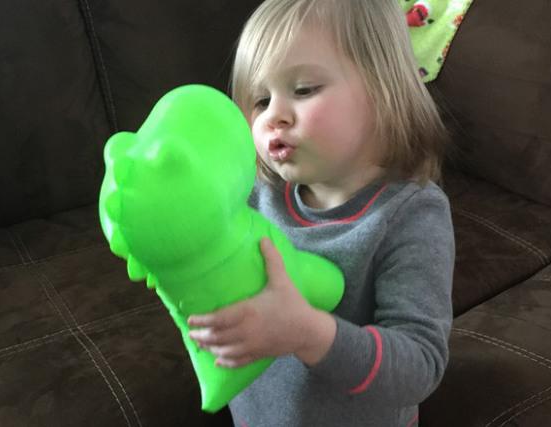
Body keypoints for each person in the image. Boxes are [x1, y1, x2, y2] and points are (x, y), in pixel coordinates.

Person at [187, 0, 455, 425]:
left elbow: (420, 367)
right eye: (260, 100)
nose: (273, 116)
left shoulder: (411, 214)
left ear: (383, 90)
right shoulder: (258, 194)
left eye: (303, 89)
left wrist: (308, 334)